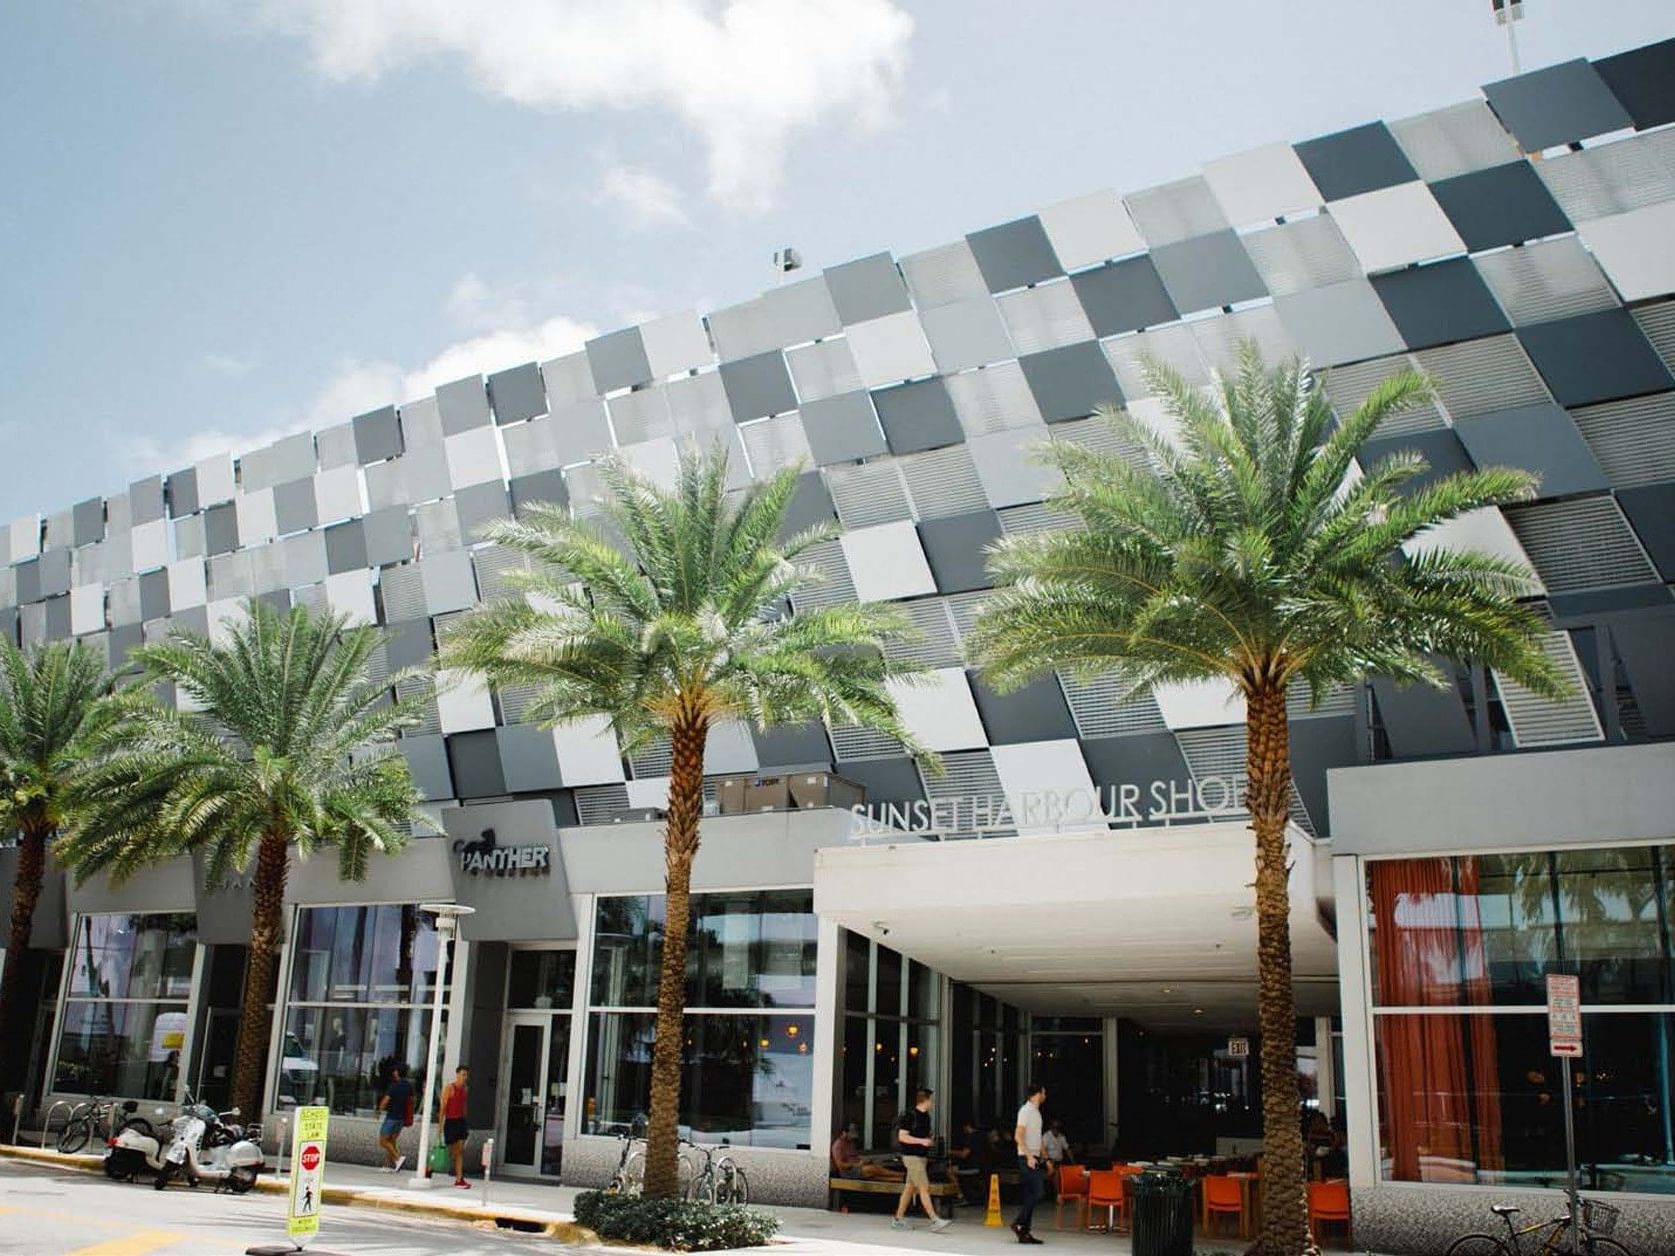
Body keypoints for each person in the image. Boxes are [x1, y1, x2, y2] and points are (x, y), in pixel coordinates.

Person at [892, 1089, 952, 1234]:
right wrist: (922, 1141)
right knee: (924, 1187)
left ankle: (898, 1219)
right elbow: (902, 1137)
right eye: (931, 1099)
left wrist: (927, 1140)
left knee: (910, 1188)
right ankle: (934, 1220)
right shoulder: (909, 1115)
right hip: (911, 1157)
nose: (933, 1102)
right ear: (925, 1100)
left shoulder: (926, 1117)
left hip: (921, 1157)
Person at [1012, 1082, 1047, 1245]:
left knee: (1030, 1194)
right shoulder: (1025, 1111)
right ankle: (1019, 1223)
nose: (1045, 1096)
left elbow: (1037, 1138)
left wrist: (1045, 1158)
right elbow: (1018, 1136)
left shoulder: (1037, 1113)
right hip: (1027, 1158)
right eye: (1044, 1092)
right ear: (1038, 1093)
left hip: (1035, 1157)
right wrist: (1029, 1157)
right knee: (1038, 1192)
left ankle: (1024, 1231)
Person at [377, 1063, 414, 1172]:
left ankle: (398, 1158)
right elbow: (412, 1101)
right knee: (391, 1141)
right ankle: (390, 1165)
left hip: (392, 1116)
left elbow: (386, 1100)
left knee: (383, 1141)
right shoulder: (408, 1086)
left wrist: (380, 1109)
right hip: (401, 1118)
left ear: (397, 1072)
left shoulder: (394, 1086)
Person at [439, 1064, 471, 1188]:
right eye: (463, 1074)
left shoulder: (465, 1089)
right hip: (451, 1121)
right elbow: (443, 1107)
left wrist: (465, 1120)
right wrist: (440, 1124)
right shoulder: (449, 1088)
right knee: (449, 1151)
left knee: (459, 1151)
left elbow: (464, 1105)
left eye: (466, 1075)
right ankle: (430, 1168)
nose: (464, 1077)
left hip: (460, 1122)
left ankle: (459, 1179)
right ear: (457, 1074)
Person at [831, 1124, 900, 1181]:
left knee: (877, 1169)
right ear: (844, 1132)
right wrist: (856, 1164)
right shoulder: (838, 1145)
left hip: (858, 1167)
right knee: (871, 1169)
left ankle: (900, 1179)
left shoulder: (851, 1143)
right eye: (852, 1132)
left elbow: (855, 1156)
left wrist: (864, 1160)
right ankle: (901, 1174)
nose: (855, 1133)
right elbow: (840, 1165)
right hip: (849, 1172)